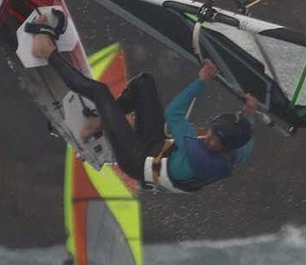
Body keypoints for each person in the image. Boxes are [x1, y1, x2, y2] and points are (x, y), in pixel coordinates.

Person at [27, 13, 256, 193]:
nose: (210, 139)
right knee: (143, 84)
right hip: (157, 147)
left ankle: (45, 50)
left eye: (216, 141)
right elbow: (246, 138)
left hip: (136, 160)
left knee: (99, 91)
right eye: (213, 132)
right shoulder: (236, 152)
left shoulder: (197, 154)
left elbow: (174, 114)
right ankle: (97, 124)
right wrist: (249, 112)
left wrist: (202, 80)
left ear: (226, 148)